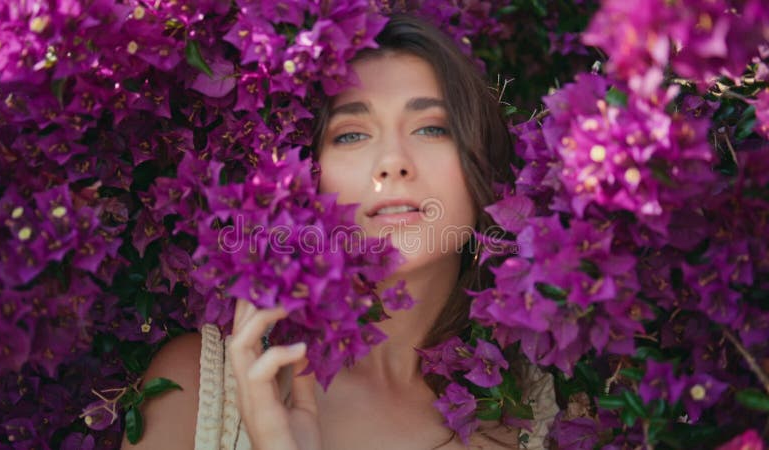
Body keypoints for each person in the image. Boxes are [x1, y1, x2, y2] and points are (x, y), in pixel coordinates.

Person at [122, 14, 558, 450]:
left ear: (484, 166)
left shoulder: (538, 410)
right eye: (351, 134)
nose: (392, 161)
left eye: (431, 128)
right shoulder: (191, 390)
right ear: (305, 176)